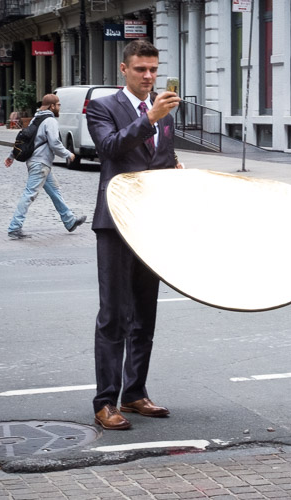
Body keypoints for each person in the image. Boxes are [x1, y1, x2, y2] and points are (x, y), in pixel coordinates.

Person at [85, 39, 182, 431]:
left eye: (154, 69)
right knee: (114, 316)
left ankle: (135, 392)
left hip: (151, 224)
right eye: (141, 69)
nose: (149, 76)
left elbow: (159, 161)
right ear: (124, 70)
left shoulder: (166, 111)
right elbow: (109, 148)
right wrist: (150, 118)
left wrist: (175, 171)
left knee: (145, 314)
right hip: (115, 223)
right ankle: (105, 401)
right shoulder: (103, 107)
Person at [4, 94, 86, 239]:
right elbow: (54, 143)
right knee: (29, 194)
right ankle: (14, 228)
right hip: (40, 164)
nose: (60, 107)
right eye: (58, 105)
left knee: (55, 191)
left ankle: (70, 221)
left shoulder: (36, 118)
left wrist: (12, 155)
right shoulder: (50, 121)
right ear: (52, 106)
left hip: (39, 163)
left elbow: (26, 139)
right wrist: (68, 154)